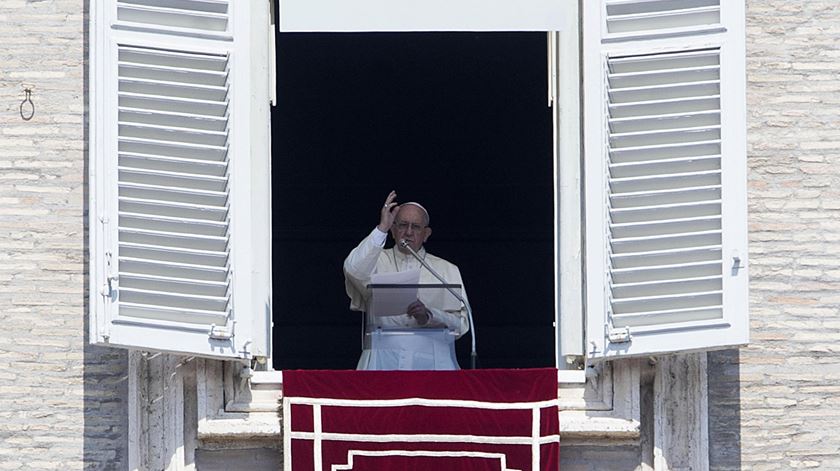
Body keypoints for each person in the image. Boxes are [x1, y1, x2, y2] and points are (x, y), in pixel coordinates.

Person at [344, 190, 469, 370]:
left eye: (416, 227)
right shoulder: (376, 259)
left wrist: (429, 316)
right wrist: (382, 228)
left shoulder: (446, 269)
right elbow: (352, 269)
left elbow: (462, 324)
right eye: (402, 225)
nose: (408, 232)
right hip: (382, 361)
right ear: (394, 230)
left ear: (426, 234)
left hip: (433, 364)